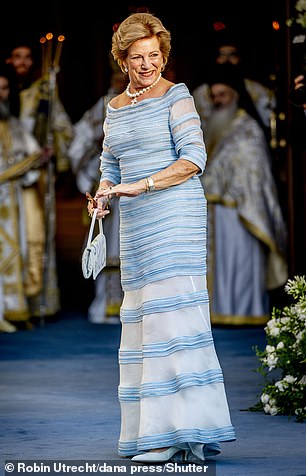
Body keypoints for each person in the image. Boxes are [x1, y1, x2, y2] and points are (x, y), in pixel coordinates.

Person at [87, 12, 235, 464]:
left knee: (174, 319)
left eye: (154, 55)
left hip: (175, 213)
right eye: (138, 57)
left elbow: (194, 159)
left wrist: (143, 184)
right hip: (135, 221)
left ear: (163, 56)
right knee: (146, 321)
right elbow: (110, 164)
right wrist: (103, 196)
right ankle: (176, 428)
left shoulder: (177, 97)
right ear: (122, 59)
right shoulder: (114, 107)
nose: (147, 64)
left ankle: (173, 434)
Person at [201, 64, 288, 326]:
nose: (218, 101)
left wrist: (214, 181)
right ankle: (218, 312)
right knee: (220, 267)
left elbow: (252, 167)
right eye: (214, 96)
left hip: (241, 212)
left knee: (240, 264)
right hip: (217, 212)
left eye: (223, 95)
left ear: (235, 96)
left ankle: (245, 311)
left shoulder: (248, 127)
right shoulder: (213, 127)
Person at [5, 42, 74, 321]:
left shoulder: (43, 92)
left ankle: (37, 301)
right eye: (16, 56)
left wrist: (54, 152)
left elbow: (62, 129)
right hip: (6, 177)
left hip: (34, 177)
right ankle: (9, 303)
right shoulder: (4, 90)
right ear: (9, 60)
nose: (21, 62)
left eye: (27, 57)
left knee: (34, 235)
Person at [68, 68, 127, 324]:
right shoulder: (104, 105)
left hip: (139, 190)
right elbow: (79, 141)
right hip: (111, 190)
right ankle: (106, 306)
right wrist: (98, 139)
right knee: (108, 246)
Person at [0, 63, 44, 332]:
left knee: (15, 251)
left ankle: (12, 309)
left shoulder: (13, 123)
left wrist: (37, 159)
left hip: (11, 197)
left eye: (4, 88)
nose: (0, 94)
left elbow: (33, 154)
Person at [192, 34, 276, 134]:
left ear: (240, 58)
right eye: (222, 55)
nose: (226, 60)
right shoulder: (200, 93)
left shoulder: (258, 90)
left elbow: (268, 122)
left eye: (232, 55)